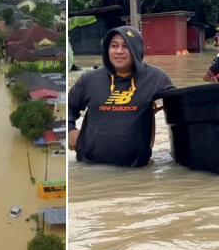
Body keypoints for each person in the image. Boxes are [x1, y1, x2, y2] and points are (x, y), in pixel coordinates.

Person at [68, 26, 175, 167]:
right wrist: (70, 130)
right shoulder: (89, 79)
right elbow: (69, 106)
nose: (119, 51)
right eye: (114, 46)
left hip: (135, 169)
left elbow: (178, 108)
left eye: (126, 46)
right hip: (90, 167)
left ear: (137, 50)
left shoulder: (155, 78)